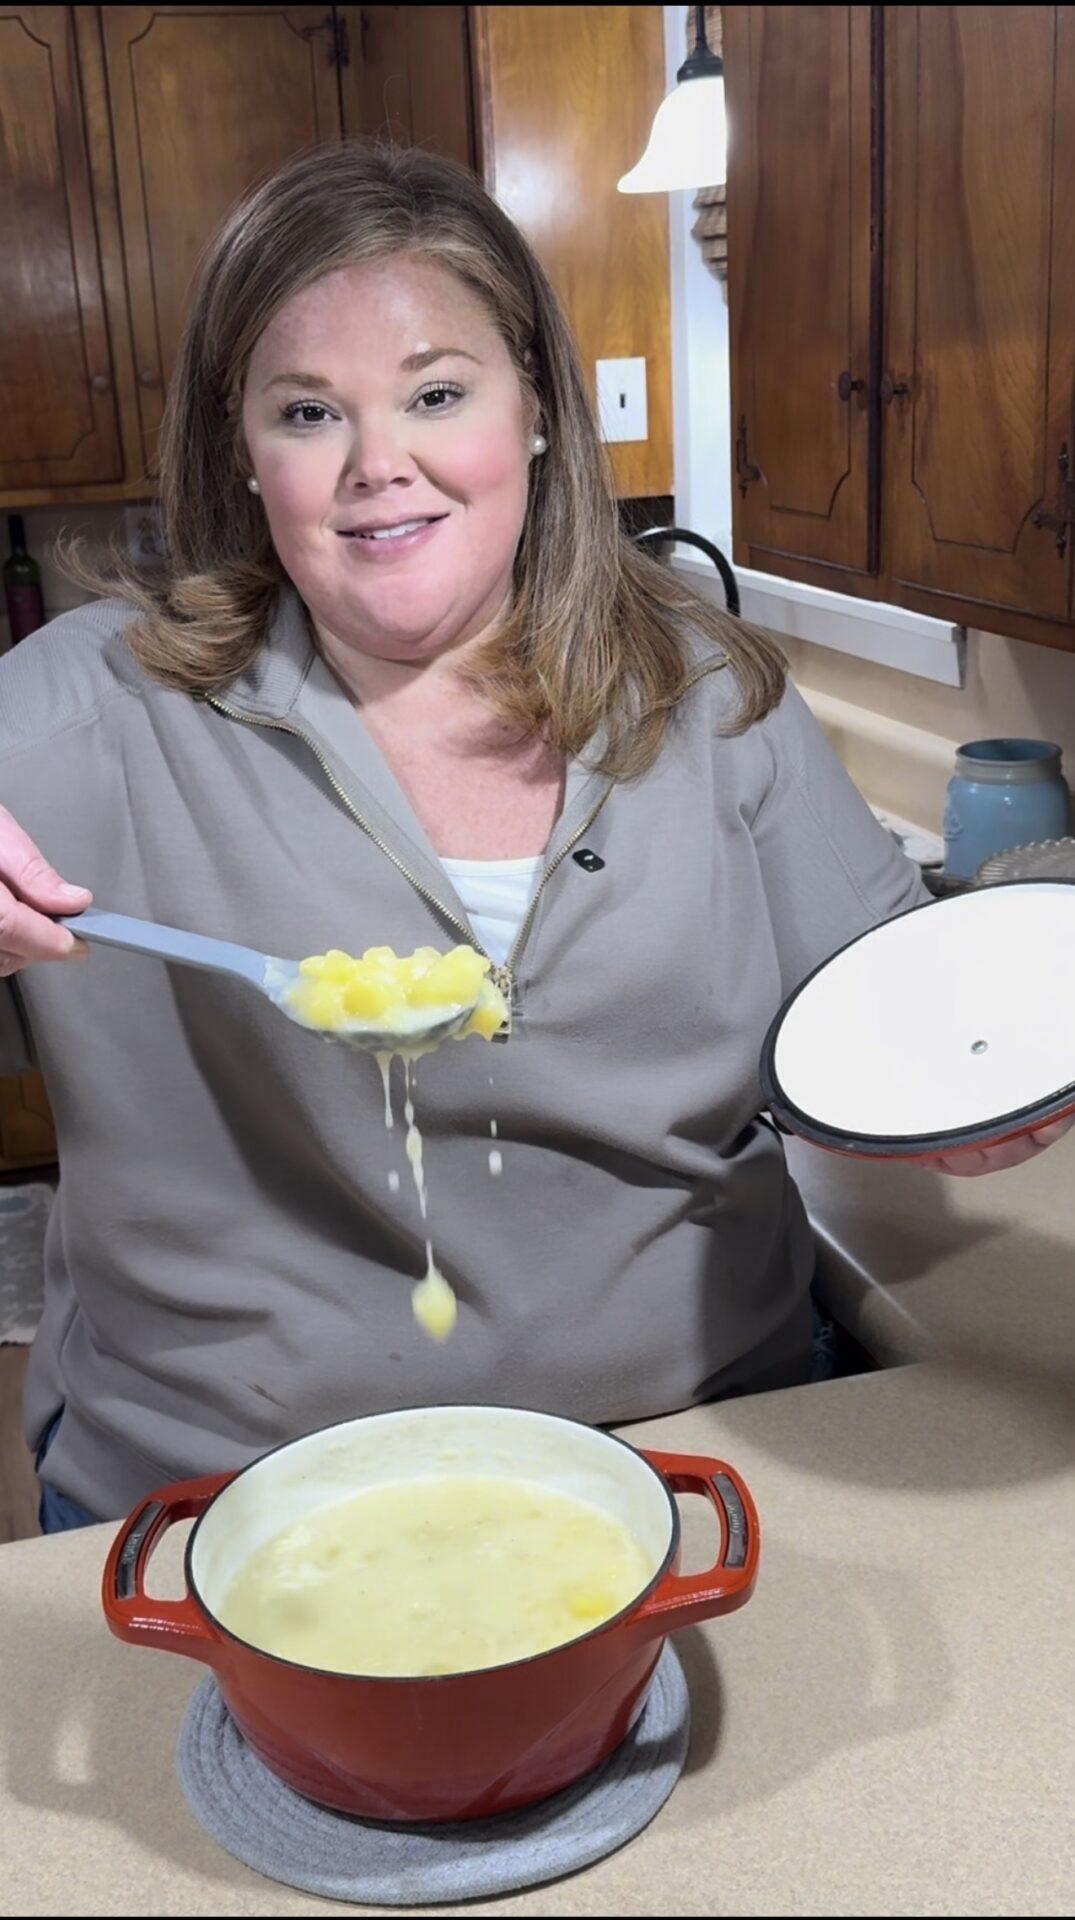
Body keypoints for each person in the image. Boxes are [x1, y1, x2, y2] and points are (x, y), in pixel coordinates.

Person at [0, 145, 1067, 1533]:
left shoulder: (707, 693)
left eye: (438, 393)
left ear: (540, 409)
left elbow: (893, 1024)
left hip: (701, 1453)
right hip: (231, 1505)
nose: (383, 466)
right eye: (310, 411)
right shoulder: (84, 710)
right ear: (241, 448)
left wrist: (972, 1097)